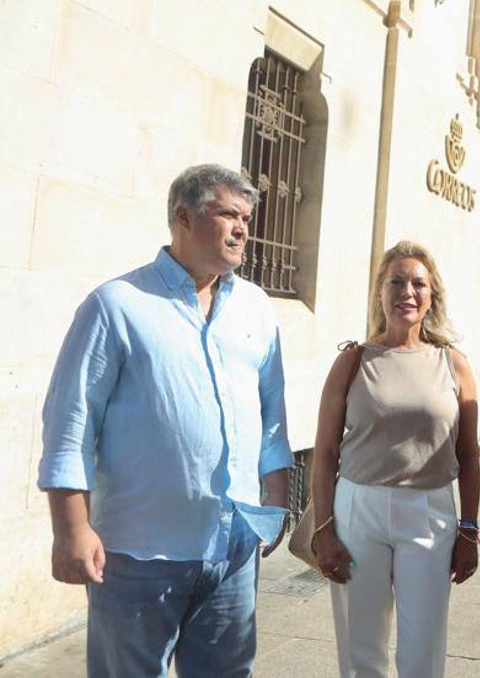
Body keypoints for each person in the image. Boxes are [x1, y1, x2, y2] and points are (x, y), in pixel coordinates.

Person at [38, 164, 293, 677]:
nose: (243, 228)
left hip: (233, 550)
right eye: (228, 214)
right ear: (183, 216)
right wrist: (71, 530)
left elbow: (272, 418)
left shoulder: (257, 308)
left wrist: (277, 502)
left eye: (246, 217)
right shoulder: (117, 305)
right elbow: (70, 423)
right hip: (137, 556)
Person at [309, 241, 480, 677]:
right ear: (380, 294)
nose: (407, 291)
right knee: (360, 647)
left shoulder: (454, 365)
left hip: (429, 513)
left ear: (432, 296)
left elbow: (468, 455)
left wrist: (470, 529)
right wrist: (324, 528)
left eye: (418, 283)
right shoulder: (352, 361)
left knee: (422, 648)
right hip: (358, 509)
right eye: (396, 282)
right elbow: (326, 452)